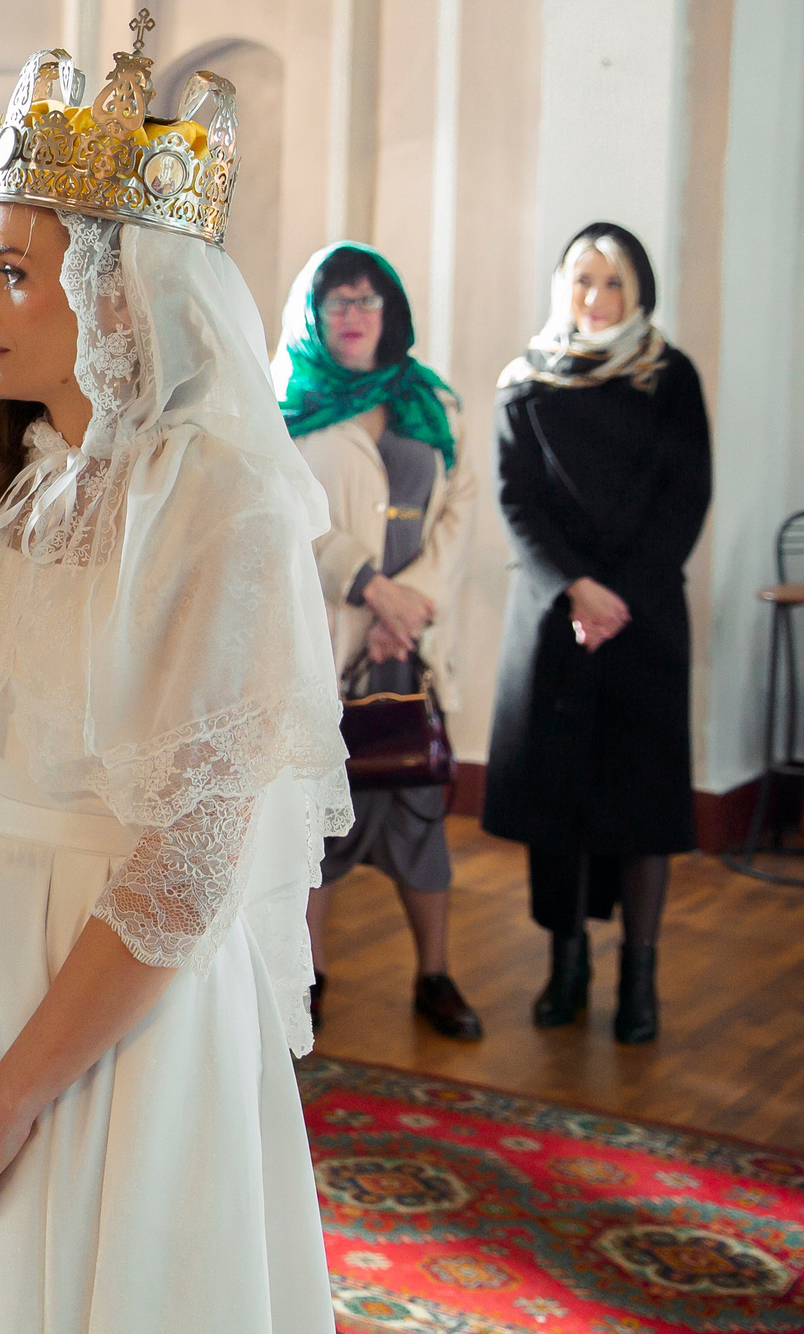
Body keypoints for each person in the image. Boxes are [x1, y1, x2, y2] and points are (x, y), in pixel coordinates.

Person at [0, 42, 346, 1333]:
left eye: (16, 271)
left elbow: (186, 860)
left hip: (105, 1026)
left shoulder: (224, 504)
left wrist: (10, 1102)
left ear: (124, 296)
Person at [484, 222, 710, 1045]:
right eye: (583, 279)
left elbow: (687, 494)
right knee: (558, 804)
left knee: (643, 803)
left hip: (641, 618)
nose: (596, 297)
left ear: (638, 291)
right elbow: (516, 498)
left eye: (613, 282)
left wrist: (617, 598)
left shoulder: (668, 375)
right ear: (563, 287)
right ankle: (566, 965)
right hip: (555, 615)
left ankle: (639, 979)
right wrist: (576, 587)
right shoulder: (526, 378)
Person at [273, 242, 482, 1040]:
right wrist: (365, 580)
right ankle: (311, 977)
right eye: (338, 300)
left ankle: (436, 974)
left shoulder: (432, 402)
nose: (355, 314)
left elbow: (460, 511)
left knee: (418, 805)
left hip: (409, 644)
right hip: (327, 642)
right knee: (316, 822)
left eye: (369, 299)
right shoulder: (284, 405)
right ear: (314, 314)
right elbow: (278, 515)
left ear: (390, 311)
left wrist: (409, 604)